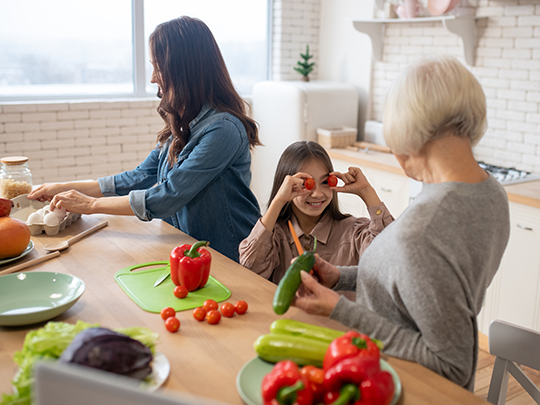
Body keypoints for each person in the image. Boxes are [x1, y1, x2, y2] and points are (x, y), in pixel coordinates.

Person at [291, 55, 510, 391]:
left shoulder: (424, 230)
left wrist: (339, 310)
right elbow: (425, 283)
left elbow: (452, 365)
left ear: (408, 137)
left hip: (402, 384)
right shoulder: (492, 193)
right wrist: (342, 277)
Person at [28, 16, 261, 262]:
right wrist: (64, 188)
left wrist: (90, 205)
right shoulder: (185, 123)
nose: (152, 78)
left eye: (158, 67)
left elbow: (168, 196)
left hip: (232, 254)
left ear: (183, 69)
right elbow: (139, 176)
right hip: (192, 251)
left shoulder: (223, 129)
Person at [239, 140, 393, 283]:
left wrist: (366, 191)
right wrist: (279, 200)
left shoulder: (353, 232)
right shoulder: (275, 236)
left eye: (326, 182)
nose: (318, 193)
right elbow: (249, 268)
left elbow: (392, 257)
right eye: (307, 184)